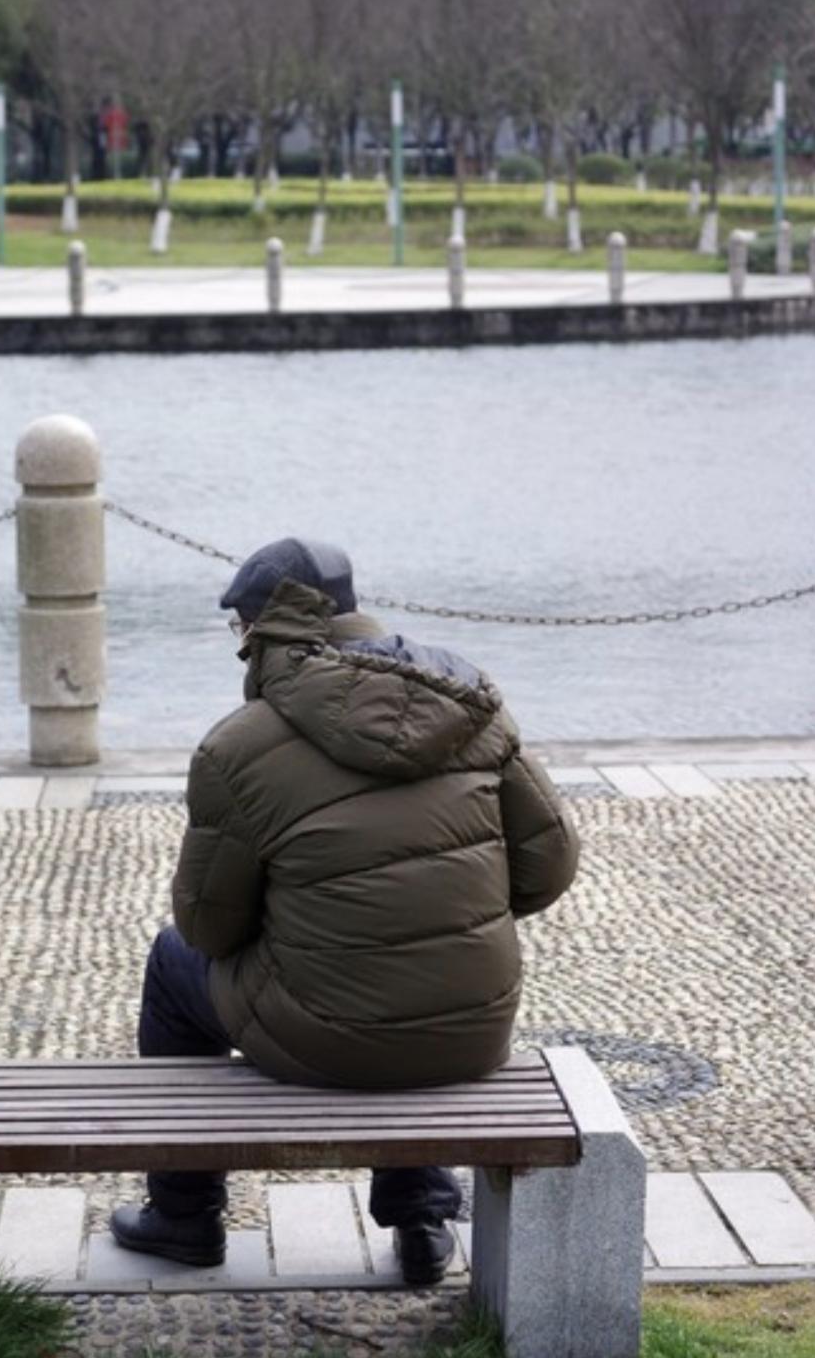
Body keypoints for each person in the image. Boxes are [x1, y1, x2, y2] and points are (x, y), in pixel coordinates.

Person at [111, 537, 580, 1285]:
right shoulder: (468, 703)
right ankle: (421, 1212)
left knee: (173, 962)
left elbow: (210, 928)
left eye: (239, 634)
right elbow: (548, 866)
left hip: (325, 1040)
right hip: (471, 1027)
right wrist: (453, 905)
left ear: (262, 631)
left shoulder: (237, 748)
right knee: (406, 959)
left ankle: (183, 1211)